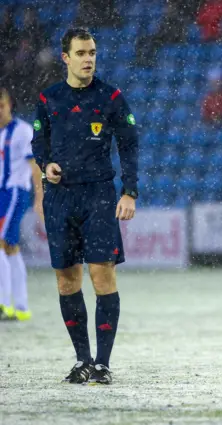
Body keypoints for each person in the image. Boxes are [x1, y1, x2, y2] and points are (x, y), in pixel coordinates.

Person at [31, 28, 139, 385]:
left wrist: (130, 192)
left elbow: (129, 145)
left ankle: (103, 363)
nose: (88, 58)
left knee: (101, 274)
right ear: (66, 57)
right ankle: (82, 360)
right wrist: (46, 165)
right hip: (60, 196)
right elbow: (38, 142)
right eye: (80, 53)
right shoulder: (49, 99)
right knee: (66, 280)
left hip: (99, 194)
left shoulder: (111, 97)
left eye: (91, 52)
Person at [0, 88, 44, 321]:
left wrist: (39, 198)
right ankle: (22, 306)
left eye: (1, 106)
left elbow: (34, 166)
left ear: (10, 105)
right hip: (2, 193)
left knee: (1, 243)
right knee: (10, 247)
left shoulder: (22, 131)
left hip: (14, 192)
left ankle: (3, 303)